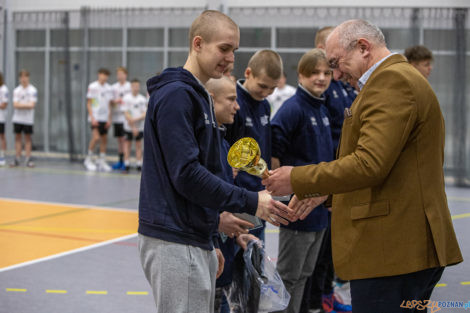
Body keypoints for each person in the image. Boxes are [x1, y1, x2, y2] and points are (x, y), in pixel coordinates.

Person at [263, 19, 463, 313]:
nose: (336, 74)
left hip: (394, 249)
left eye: (335, 63)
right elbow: (390, 168)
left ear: (363, 48)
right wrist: (325, 194)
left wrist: (299, 178)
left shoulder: (391, 82)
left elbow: (370, 163)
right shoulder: (394, 79)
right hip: (401, 247)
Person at [138, 10, 293, 313]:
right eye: (224, 48)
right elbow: (186, 174)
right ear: (198, 43)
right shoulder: (176, 96)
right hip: (175, 239)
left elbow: (201, 174)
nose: (230, 58)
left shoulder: (199, 96)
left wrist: (211, 234)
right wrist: (251, 200)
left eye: (234, 50)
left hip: (196, 236)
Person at [271, 48, 333, 313]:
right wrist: (282, 196)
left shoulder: (321, 107)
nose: (321, 78)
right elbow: (274, 151)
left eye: (326, 72)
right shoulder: (293, 108)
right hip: (297, 211)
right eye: (314, 73)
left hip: (318, 210)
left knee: (305, 273)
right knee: (289, 275)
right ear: (301, 75)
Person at [300, 26, 355, 313]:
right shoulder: (323, 92)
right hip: (326, 177)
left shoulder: (344, 87)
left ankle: (325, 294)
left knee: (329, 247)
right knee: (317, 252)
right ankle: (315, 300)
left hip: (339, 176)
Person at [206, 76, 259, 313]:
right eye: (231, 99)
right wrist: (216, 230)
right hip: (208, 254)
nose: (237, 106)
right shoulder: (204, 148)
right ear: (211, 100)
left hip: (224, 254)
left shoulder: (223, 144)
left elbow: (223, 202)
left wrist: (236, 234)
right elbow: (203, 200)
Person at [225, 49, 283, 242]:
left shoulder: (265, 105)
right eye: (262, 86)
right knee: (238, 256)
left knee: (255, 256)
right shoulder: (234, 103)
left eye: (272, 89)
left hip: (261, 193)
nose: (266, 93)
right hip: (239, 196)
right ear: (248, 73)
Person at [83, 68, 113, 172]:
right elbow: (89, 103)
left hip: (105, 117)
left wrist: (109, 119)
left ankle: (102, 161)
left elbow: (109, 104)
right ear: (98, 75)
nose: (104, 77)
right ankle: (88, 159)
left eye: (106, 75)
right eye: (102, 74)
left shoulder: (109, 88)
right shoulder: (93, 86)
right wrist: (92, 117)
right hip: (95, 117)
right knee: (96, 138)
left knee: (104, 139)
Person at [11, 69, 37, 168]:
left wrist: (21, 104)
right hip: (17, 118)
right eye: (21, 77)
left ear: (28, 78)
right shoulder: (16, 90)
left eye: (25, 76)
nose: (23, 79)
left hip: (28, 119)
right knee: (18, 138)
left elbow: (32, 105)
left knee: (27, 139)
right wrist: (26, 104)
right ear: (19, 78)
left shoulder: (33, 90)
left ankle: (28, 159)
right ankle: (17, 158)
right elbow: (15, 105)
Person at [122, 78, 146, 172]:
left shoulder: (142, 99)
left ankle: (139, 164)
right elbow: (126, 113)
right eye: (134, 86)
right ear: (131, 87)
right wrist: (132, 127)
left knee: (138, 145)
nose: (136, 88)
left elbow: (144, 113)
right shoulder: (126, 98)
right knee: (127, 145)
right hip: (128, 127)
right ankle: (126, 164)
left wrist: (135, 122)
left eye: (137, 86)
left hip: (139, 127)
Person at [111, 66, 131, 170]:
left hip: (125, 118)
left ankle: (125, 161)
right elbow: (111, 101)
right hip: (116, 116)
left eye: (121, 74)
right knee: (119, 140)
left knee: (124, 140)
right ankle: (120, 161)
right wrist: (115, 101)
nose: (120, 76)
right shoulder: (114, 87)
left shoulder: (129, 86)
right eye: (118, 74)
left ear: (125, 75)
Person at [0, 72, 8, 166]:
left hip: (1, 117)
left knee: (1, 136)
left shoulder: (4, 89)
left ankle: (2, 155)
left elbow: (4, 104)